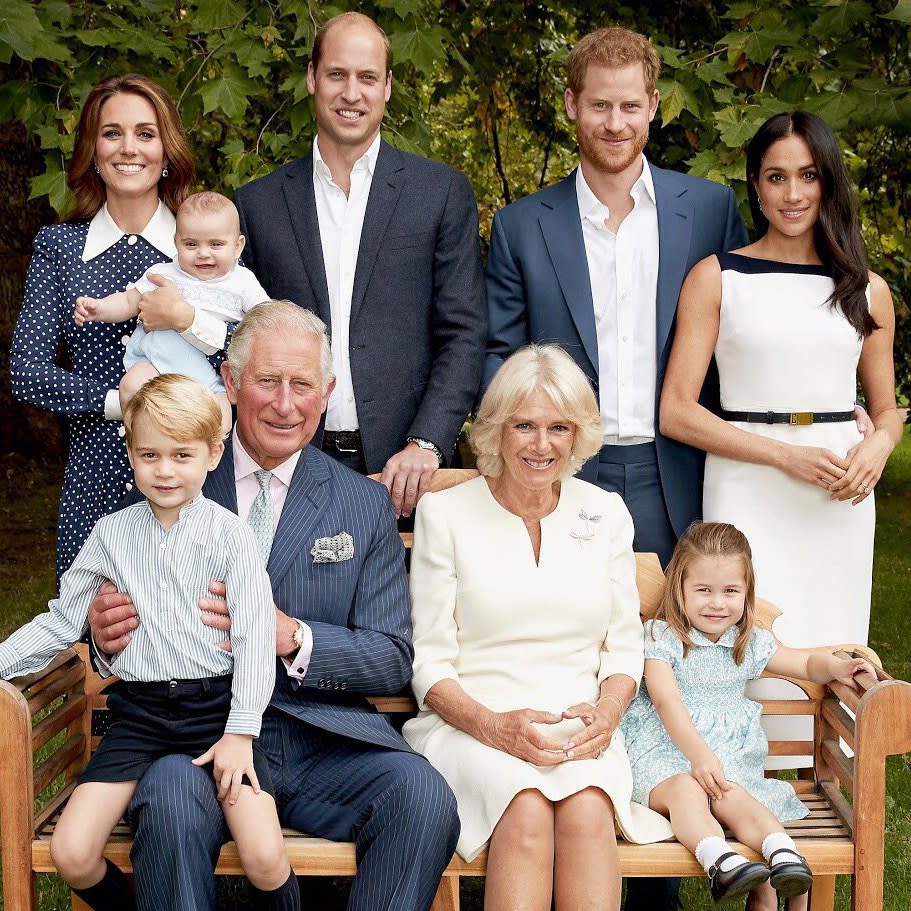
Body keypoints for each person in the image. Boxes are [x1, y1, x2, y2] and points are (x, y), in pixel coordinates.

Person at [89, 301, 459, 911]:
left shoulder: (360, 505)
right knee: (172, 802)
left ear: (327, 393)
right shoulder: (168, 479)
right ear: (231, 383)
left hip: (323, 738)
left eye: (302, 385)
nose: (285, 404)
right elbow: (111, 626)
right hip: (194, 737)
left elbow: (393, 659)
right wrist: (107, 641)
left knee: (420, 797)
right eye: (267, 382)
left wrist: (292, 637)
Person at [0, 374, 298, 910]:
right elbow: (62, 621)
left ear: (212, 454)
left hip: (217, 714)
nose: (164, 470)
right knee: (71, 852)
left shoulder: (231, 536)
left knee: (264, 855)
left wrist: (240, 731)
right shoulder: (111, 534)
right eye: (150, 454)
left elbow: (254, 638)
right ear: (131, 454)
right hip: (139, 717)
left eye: (181, 454)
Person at [403, 345, 673, 911]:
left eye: (558, 427)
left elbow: (624, 650)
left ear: (578, 435)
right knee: (524, 805)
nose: (541, 444)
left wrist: (606, 716)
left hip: (579, 729)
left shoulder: (605, 512)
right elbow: (428, 663)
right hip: (472, 727)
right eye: (524, 425)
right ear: (497, 428)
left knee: (587, 810)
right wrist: (494, 726)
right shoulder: (445, 514)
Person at [484, 26, 748, 571]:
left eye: (630, 105)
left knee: (684, 643)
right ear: (571, 104)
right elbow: (499, 354)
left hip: (681, 469)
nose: (614, 123)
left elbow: (747, 334)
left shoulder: (708, 211)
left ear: (653, 105)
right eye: (599, 105)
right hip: (563, 470)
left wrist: (827, 412)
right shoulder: (521, 226)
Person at [660, 110, 901, 653]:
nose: (793, 193)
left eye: (809, 175)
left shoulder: (867, 291)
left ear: (829, 182)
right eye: (777, 176)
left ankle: (830, 740)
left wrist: (880, 447)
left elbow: (886, 410)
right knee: (742, 642)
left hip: (840, 493)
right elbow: (676, 410)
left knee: (833, 639)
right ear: (755, 184)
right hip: (746, 484)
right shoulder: (717, 277)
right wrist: (786, 455)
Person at [234, 11, 486, 519]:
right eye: (337, 75)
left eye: (367, 77)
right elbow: (238, 336)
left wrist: (428, 443)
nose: (352, 93)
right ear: (312, 78)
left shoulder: (439, 194)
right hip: (286, 463)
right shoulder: (256, 206)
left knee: (404, 602)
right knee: (285, 602)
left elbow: (463, 331)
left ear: (388, 86)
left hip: (407, 471)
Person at [621, 522, 875, 910]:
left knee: (734, 797)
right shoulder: (662, 637)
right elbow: (666, 701)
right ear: (680, 589)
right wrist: (699, 755)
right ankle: (719, 859)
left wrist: (839, 668)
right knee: (689, 790)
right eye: (703, 590)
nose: (717, 603)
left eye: (730, 592)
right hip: (666, 756)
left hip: (727, 765)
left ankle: (784, 855)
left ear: (746, 592)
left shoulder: (747, 641)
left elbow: (805, 662)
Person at [9, 73, 196, 580]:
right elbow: (26, 371)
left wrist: (189, 320)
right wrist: (120, 403)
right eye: (112, 133)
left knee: (200, 636)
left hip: (194, 477)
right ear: (92, 149)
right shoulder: (59, 249)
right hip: (95, 472)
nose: (128, 148)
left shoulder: (203, 244)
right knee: (95, 637)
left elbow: (243, 355)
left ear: (166, 150)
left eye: (145, 133)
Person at [74, 191, 269, 435]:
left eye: (216, 244)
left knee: (223, 421)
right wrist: (99, 308)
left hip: (208, 377)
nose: (203, 253)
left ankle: (199, 464)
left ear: (238, 246)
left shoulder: (243, 282)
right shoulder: (163, 273)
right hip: (155, 365)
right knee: (131, 386)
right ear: (176, 242)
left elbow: (266, 319)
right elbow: (128, 301)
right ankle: (145, 443)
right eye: (191, 244)